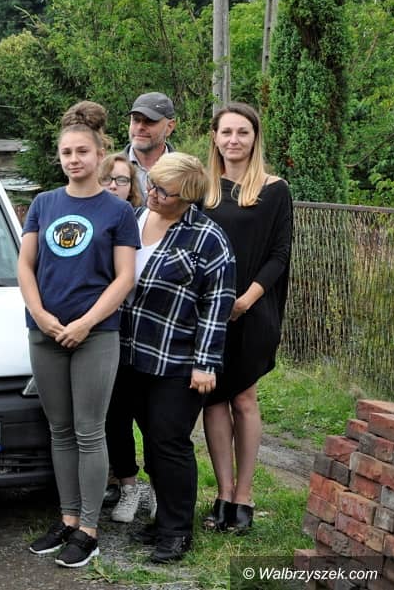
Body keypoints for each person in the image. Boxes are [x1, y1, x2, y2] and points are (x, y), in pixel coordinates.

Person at [20, 101, 139, 568]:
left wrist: (86, 322)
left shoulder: (118, 211)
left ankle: (89, 530)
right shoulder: (44, 204)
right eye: (67, 152)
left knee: (90, 431)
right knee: (60, 430)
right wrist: (40, 315)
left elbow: (124, 277)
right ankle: (67, 519)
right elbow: (25, 266)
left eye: (82, 151)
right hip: (45, 332)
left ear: (100, 154)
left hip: (95, 335)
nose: (74, 159)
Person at [120, 152, 235, 563]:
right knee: (150, 440)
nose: (152, 194)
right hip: (130, 353)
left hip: (178, 359)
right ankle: (163, 519)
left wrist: (205, 362)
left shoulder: (208, 238)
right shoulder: (135, 218)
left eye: (163, 192)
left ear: (187, 198)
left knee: (169, 441)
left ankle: (176, 531)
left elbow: (217, 303)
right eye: (151, 185)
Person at [201, 102, 293, 534]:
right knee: (213, 399)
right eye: (226, 132)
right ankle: (222, 493)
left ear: (255, 138)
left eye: (242, 132)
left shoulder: (275, 190)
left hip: (253, 309)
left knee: (243, 398)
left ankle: (244, 495)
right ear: (215, 138)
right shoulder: (203, 189)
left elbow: (279, 254)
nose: (234, 140)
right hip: (208, 312)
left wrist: (245, 300)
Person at [96, 153, 156, 525]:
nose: (114, 186)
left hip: (144, 334)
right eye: (108, 179)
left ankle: (159, 484)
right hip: (106, 333)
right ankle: (128, 485)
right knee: (115, 415)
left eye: (122, 180)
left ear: (132, 187)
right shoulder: (89, 220)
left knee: (152, 417)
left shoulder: (143, 220)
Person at [123, 92, 176, 201]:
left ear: (169, 127)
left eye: (150, 121)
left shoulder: (187, 174)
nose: (140, 127)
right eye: (136, 120)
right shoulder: (107, 171)